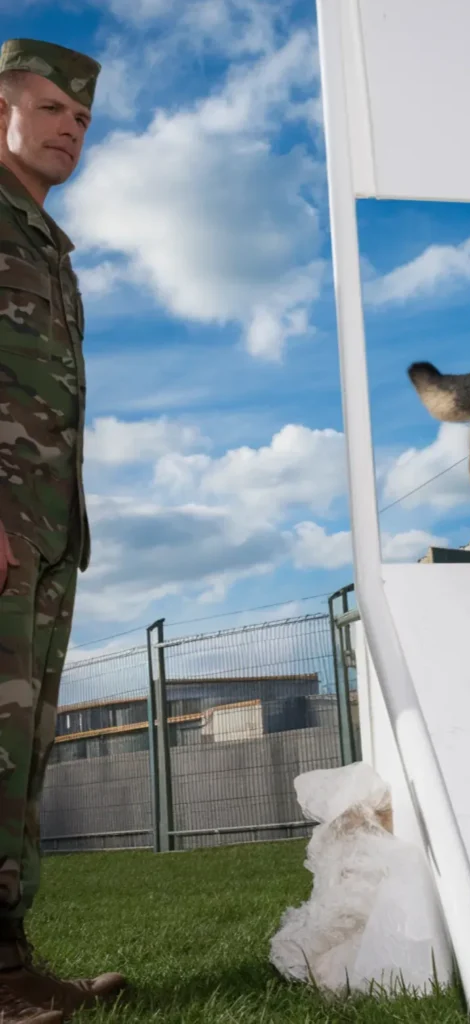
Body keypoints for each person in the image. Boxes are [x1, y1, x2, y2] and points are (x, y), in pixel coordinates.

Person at [0, 39, 126, 1022]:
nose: (69, 129)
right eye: (49, 110)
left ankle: (8, 967)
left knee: (20, 754)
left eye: (79, 119)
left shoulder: (50, 246)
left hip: (46, 534)